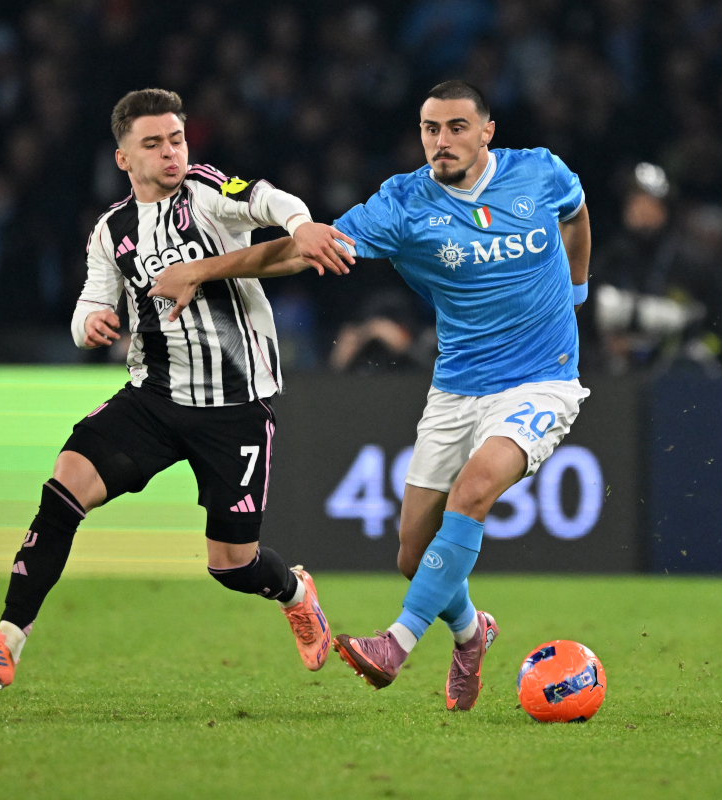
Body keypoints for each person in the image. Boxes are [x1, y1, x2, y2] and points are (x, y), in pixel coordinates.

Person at [149, 80, 592, 711]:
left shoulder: (540, 172)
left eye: (457, 128)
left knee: (474, 489)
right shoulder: (404, 205)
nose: (442, 141)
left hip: (542, 377)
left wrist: (577, 289)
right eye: (430, 129)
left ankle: (396, 644)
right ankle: (472, 633)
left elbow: (576, 215)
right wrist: (200, 269)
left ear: (487, 131)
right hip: (458, 385)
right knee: (414, 555)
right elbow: (306, 252)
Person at [0, 88, 355, 688]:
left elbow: (268, 198)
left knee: (231, 565)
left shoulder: (208, 191)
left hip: (233, 409)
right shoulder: (113, 230)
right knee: (64, 488)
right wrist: (91, 325)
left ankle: (294, 592)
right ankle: (6, 642)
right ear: (123, 159)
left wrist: (300, 223)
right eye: (154, 144)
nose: (171, 154)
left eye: (177, 139)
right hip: (153, 400)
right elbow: (91, 301)